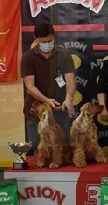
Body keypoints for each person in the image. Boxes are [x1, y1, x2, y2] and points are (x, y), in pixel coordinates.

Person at [21, 22, 76, 151]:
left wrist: (68, 98)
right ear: (36, 39)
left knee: (63, 150)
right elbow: (30, 87)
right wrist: (47, 101)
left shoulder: (64, 54)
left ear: (54, 37)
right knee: (37, 150)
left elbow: (70, 80)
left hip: (60, 110)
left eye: (50, 41)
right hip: (36, 113)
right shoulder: (28, 58)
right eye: (44, 42)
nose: (47, 44)